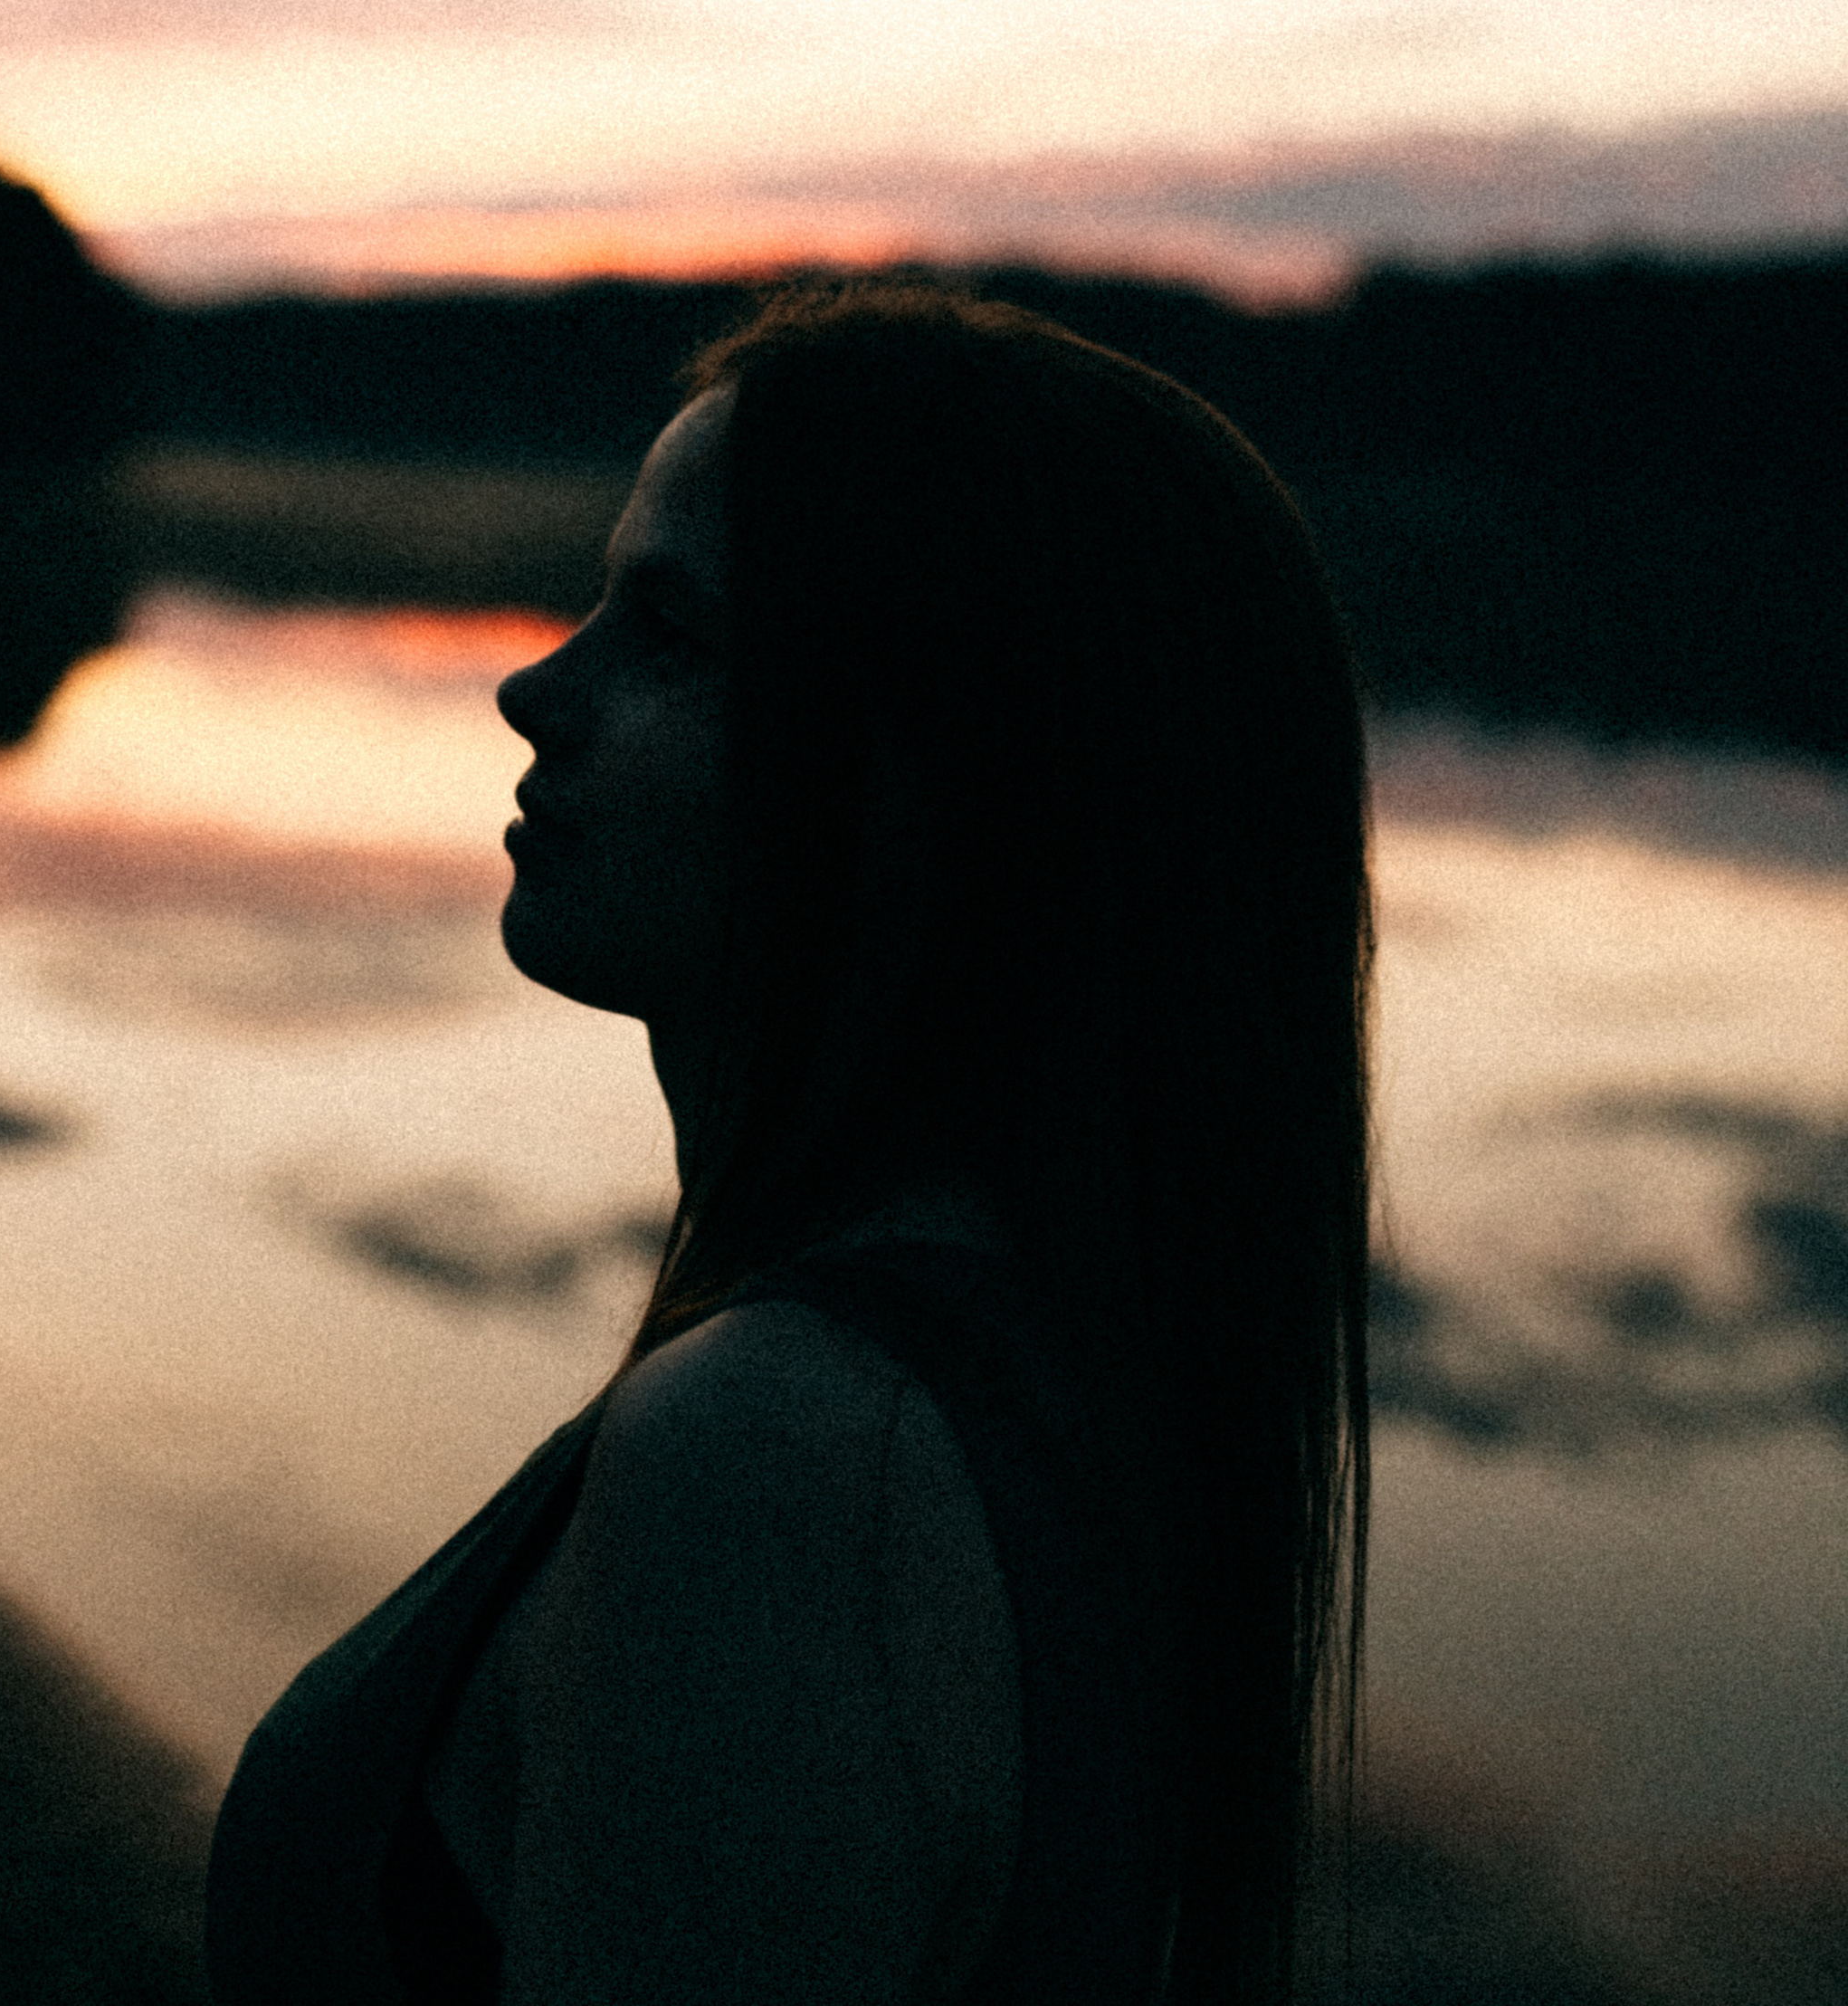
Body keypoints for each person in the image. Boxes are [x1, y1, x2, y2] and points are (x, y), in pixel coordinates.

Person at [207, 281, 1374, 2006]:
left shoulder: (801, 1456)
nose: (538, 688)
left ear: (947, 776)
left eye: (669, 636)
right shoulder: (1038, 1371)